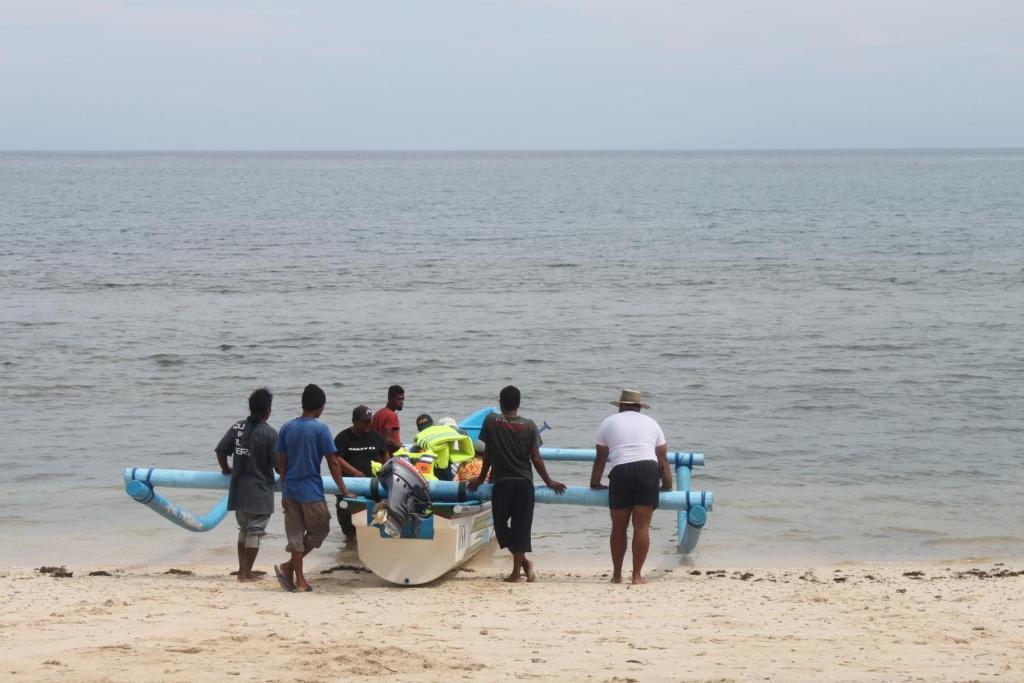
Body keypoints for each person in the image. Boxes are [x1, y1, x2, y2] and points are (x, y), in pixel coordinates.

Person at [469, 386, 566, 583]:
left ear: (500, 402)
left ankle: (516, 573)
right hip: (522, 484)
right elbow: (536, 459)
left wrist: (480, 478)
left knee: (504, 527)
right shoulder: (529, 425)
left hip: (506, 483)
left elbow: (487, 454)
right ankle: (525, 564)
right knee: (513, 528)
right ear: (519, 403)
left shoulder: (491, 421)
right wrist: (549, 481)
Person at [274, 384, 353, 593]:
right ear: (320, 407)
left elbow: (281, 461)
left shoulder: (287, 427)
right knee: (321, 528)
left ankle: (297, 576)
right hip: (310, 490)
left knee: (295, 535)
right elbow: (333, 463)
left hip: (290, 489)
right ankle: (292, 571)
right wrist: (344, 490)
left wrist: (284, 488)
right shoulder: (321, 429)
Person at [589, 389, 673, 585]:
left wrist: (594, 483)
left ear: (620, 406)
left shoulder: (608, 422)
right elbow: (662, 459)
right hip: (647, 470)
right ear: (639, 408)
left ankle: (617, 575)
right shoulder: (652, 423)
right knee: (641, 528)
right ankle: (636, 576)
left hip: (621, 472)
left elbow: (600, 459)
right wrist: (667, 485)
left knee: (618, 528)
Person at [214, 387, 278, 583]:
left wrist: (226, 469)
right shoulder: (270, 434)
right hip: (259, 491)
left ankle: (243, 570)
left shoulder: (237, 427)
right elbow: (279, 466)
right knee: (255, 531)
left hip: (239, 490)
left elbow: (220, 450)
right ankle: (246, 573)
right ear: (268, 410)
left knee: (244, 530)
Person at [332, 405, 387, 543]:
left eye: (370, 421)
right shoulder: (343, 438)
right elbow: (336, 458)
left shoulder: (375, 436)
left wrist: (385, 471)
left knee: (380, 515)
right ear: (354, 421)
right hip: (349, 485)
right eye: (365, 421)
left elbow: (384, 453)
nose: (368, 424)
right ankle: (349, 544)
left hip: (373, 486)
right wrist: (354, 472)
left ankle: (377, 540)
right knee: (347, 521)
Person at [371, 384, 405, 456]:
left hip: (377, 455)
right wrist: (402, 447)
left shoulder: (378, 413)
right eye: (398, 399)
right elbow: (387, 439)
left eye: (403, 399)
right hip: (389, 457)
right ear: (390, 399)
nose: (401, 402)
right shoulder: (392, 415)